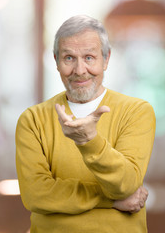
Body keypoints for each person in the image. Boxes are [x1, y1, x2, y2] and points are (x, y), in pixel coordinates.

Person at [15, 15, 156, 233]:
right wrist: (110, 201)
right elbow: (36, 195)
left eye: (89, 57)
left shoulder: (137, 112)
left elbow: (126, 184)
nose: (80, 70)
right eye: (69, 58)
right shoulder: (32, 119)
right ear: (56, 61)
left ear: (106, 59)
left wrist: (90, 141)